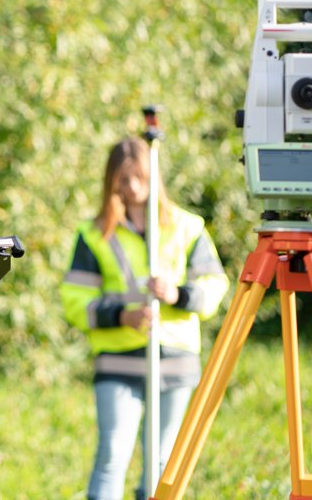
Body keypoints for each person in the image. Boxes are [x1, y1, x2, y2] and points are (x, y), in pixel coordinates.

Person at [59, 136, 229, 500]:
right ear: (110, 181)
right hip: (118, 360)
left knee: (162, 462)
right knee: (112, 455)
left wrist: (177, 294)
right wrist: (121, 315)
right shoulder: (93, 234)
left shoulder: (187, 227)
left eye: (139, 177)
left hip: (174, 359)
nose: (132, 187)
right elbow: (75, 300)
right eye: (123, 179)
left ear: (153, 176)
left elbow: (215, 286)